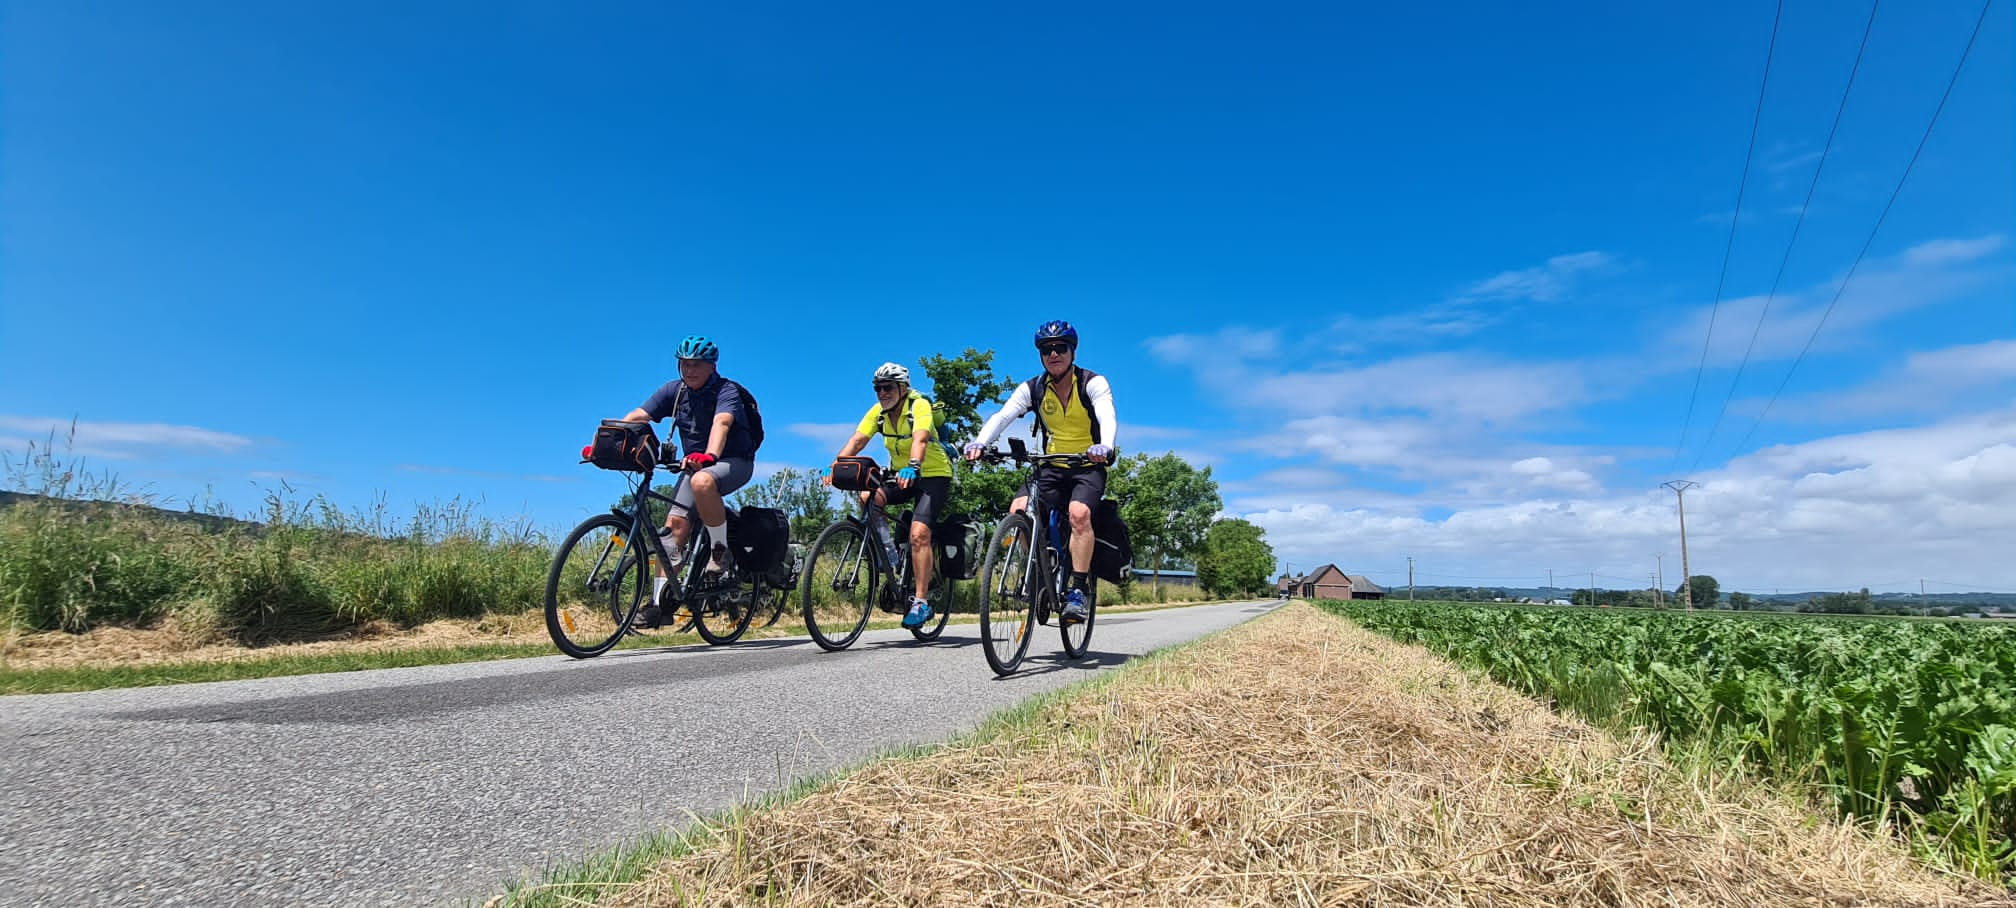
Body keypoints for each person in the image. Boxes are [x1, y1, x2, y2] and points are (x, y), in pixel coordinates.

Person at [964, 320, 1116, 624]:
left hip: (1088, 466)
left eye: (1061, 348)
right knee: (1018, 508)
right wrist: (981, 442)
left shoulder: (1092, 383)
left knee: (1078, 514)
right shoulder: (1033, 388)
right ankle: (1039, 566)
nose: (1054, 354)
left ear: (1072, 351)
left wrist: (1105, 445)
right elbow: (1004, 415)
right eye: (1047, 350)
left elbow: (1107, 414)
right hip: (1051, 466)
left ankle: (1077, 590)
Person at [621, 335, 758, 628]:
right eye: (684, 364)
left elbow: (722, 423)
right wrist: (612, 436)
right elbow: (640, 415)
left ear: (712, 366)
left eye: (696, 364)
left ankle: (720, 552)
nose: (689, 370)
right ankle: (660, 605)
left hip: (733, 461)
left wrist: (709, 455)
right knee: (673, 529)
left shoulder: (727, 390)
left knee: (702, 483)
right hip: (695, 464)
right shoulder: (675, 391)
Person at [828, 362, 955, 629]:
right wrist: (836, 466)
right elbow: (857, 441)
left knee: (919, 533)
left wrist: (914, 466)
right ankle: (891, 557)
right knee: (867, 498)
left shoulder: (918, 406)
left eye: (887, 387)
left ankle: (921, 602)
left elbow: (920, 438)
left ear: (902, 387)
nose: (882, 393)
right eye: (877, 388)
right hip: (900, 475)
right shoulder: (878, 412)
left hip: (932, 474)